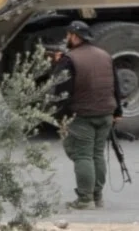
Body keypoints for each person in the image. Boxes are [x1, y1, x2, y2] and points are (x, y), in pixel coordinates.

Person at [49, 21, 122, 210]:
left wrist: (59, 117)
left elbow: (61, 90)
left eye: (68, 35)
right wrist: (117, 112)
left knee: (82, 156)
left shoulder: (69, 59)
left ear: (74, 36)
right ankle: (97, 197)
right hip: (106, 113)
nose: (67, 38)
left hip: (82, 115)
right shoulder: (105, 55)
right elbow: (116, 86)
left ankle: (84, 199)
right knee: (97, 154)